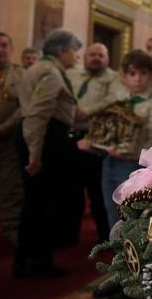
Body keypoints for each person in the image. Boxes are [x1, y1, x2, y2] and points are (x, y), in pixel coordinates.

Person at [16, 29, 82, 277]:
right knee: (43, 204)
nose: (76, 56)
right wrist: (34, 153)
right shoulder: (51, 73)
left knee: (36, 203)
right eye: (74, 51)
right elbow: (38, 115)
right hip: (45, 140)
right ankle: (39, 262)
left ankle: (27, 260)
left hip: (42, 137)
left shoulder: (42, 69)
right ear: (61, 51)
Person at [81, 49, 152, 228]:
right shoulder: (118, 101)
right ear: (123, 77)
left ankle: (131, 254)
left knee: (132, 216)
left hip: (135, 166)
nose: (137, 79)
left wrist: (142, 159)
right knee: (112, 213)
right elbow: (107, 132)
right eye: (132, 73)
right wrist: (93, 143)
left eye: (143, 73)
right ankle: (118, 254)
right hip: (109, 163)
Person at [68, 43, 124, 242]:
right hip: (71, 137)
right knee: (71, 191)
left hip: (97, 141)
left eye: (101, 55)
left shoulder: (115, 78)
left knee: (97, 193)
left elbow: (115, 100)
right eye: (92, 54)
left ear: (107, 59)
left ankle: (105, 238)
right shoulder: (72, 75)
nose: (96, 58)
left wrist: (87, 110)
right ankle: (70, 235)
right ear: (84, 57)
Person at [0, 32, 24, 248]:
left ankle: (10, 230)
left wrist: (5, 128)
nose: (1, 49)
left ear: (10, 48)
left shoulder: (19, 74)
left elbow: (23, 106)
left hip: (8, 142)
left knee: (10, 188)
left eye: (4, 45)